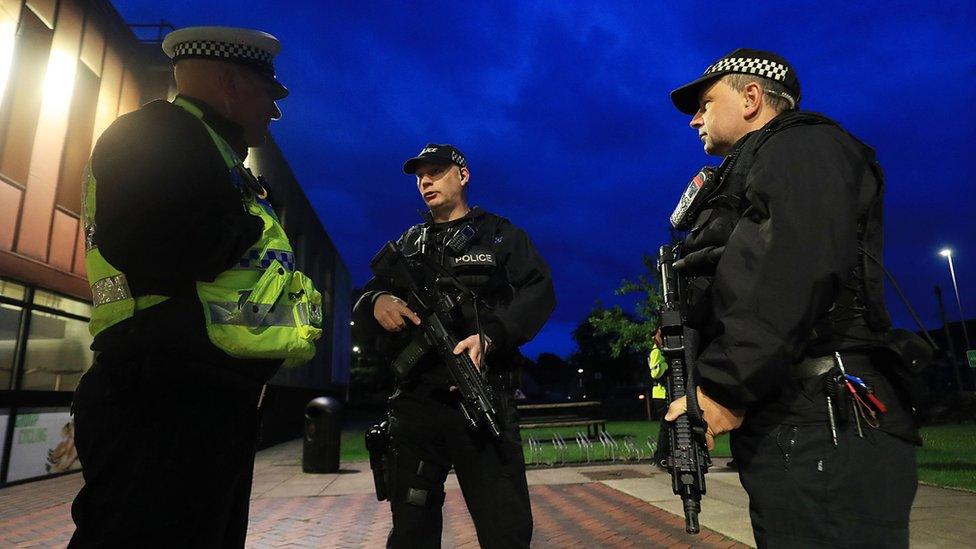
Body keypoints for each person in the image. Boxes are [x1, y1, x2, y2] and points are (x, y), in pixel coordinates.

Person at [70, 26, 322, 547]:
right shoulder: (157, 134)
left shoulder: (215, 153)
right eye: (268, 94)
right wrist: (245, 222)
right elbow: (156, 242)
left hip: (202, 391)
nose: (274, 112)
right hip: (161, 391)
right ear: (230, 82)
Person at [662, 49, 919, 547]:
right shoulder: (759, 163)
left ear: (752, 97)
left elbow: (791, 270)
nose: (695, 118)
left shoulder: (802, 145)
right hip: (795, 420)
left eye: (705, 103)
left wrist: (723, 387)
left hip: (824, 420)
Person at [354, 144, 556, 548]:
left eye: (436, 171)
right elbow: (368, 294)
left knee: (505, 527)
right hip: (417, 402)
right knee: (412, 526)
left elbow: (540, 291)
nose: (425, 181)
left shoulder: (500, 235)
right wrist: (377, 302)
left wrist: (491, 336)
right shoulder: (409, 243)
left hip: (481, 396)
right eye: (419, 176)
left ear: (462, 175)